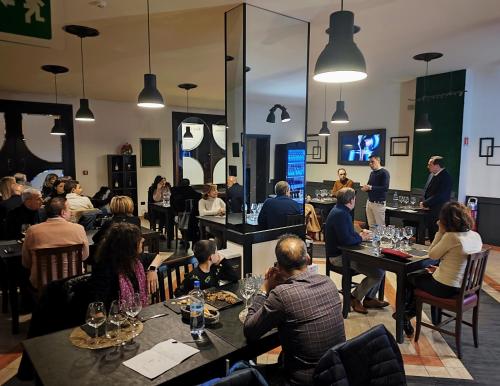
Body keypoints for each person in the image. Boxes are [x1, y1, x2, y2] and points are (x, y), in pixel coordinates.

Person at [244, 234, 346, 385]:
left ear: (278, 266)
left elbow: (250, 331)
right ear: (308, 259)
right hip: (336, 373)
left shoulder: (281, 295)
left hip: (303, 380)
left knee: (241, 368)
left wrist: (264, 288)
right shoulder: (328, 283)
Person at [403, 202, 482, 336]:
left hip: (447, 288)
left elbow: (432, 254)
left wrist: (440, 232)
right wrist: (439, 271)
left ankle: (406, 315)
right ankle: (413, 314)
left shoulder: (451, 237)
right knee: (425, 274)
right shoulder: (475, 236)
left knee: (409, 277)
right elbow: (458, 262)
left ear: (446, 220)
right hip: (467, 285)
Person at [325, 188, 388, 314]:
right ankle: (355, 298)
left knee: (380, 266)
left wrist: (360, 233)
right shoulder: (341, 214)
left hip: (345, 253)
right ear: (350, 200)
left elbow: (347, 234)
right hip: (339, 257)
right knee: (378, 272)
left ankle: (369, 299)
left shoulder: (340, 210)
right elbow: (346, 240)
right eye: (354, 198)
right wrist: (361, 237)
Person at [89, 222, 163, 309]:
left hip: (136, 313)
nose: (142, 239)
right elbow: (98, 304)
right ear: (128, 246)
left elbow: (158, 257)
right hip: (115, 316)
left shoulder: (135, 259)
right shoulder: (104, 267)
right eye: (138, 239)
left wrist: (152, 269)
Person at [21, 197, 89, 290]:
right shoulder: (78, 228)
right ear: (63, 212)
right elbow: (84, 256)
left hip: (43, 285)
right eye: (69, 209)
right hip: (73, 283)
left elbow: (26, 263)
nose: (71, 212)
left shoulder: (32, 231)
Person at [174, 239, 239, 296]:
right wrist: (189, 296)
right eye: (216, 252)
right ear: (211, 257)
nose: (218, 254)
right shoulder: (193, 277)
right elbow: (178, 292)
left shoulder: (216, 269)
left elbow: (235, 277)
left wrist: (223, 260)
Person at [420, 156, 452, 241]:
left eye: (430, 165)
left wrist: (425, 203)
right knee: (431, 232)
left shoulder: (445, 177)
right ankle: (432, 250)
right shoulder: (432, 175)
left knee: (437, 233)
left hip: (439, 210)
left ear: (437, 165)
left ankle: (436, 252)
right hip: (430, 209)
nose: (428, 167)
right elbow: (428, 191)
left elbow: (441, 195)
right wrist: (424, 202)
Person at [361, 155, 390, 227]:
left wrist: (370, 187)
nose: (370, 164)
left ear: (378, 161)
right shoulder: (372, 173)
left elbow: (385, 188)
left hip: (379, 203)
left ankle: (380, 239)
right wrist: (366, 188)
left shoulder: (384, 173)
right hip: (370, 202)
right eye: (369, 162)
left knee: (380, 227)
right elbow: (370, 186)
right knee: (371, 225)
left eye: (372, 162)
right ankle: (372, 238)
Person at [148, 176, 174, 243]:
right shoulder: (153, 188)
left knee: (169, 214)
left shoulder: (167, 187)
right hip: (155, 209)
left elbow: (169, 196)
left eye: (164, 181)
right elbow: (156, 199)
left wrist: (167, 190)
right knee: (162, 214)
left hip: (165, 207)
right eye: (162, 181)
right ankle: (160, 232)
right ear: (158, 182)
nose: (163, 183)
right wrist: (159, 189)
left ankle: (169, 235)